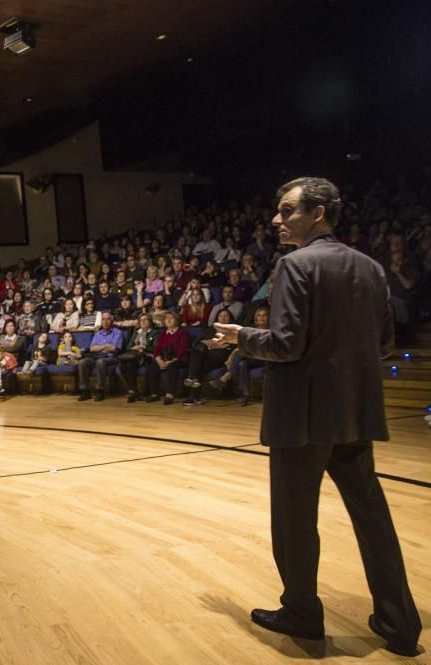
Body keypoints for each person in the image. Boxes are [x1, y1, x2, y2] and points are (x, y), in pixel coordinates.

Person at [211, 177, 421, 656]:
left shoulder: (295, 264)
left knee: (295, 521)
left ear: (319, 212)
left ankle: (303, 615)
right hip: (355, 411)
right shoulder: (370, 268)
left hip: (301, 418)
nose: (277, 220)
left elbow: (285, 345)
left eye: (287, 211)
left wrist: (240, 336)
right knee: (373, 520)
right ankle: (400, 623)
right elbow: (386, 342)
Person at [181, 309, 236, 406]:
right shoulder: (210, 329)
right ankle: (193, 388)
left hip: (221, 355)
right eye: (220, 316)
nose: (223, 318)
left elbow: (230, 346)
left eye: (226, 316)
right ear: (217, 318)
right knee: (195, 352)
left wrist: (213, 344)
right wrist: (215, 343)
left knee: (198, 366)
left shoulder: (233, 331)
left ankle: (192, 388)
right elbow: (200, 342)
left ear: (230, 319)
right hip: (206, 353)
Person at [77, 312, 124, 401]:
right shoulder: (98, 334)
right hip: (96, 356)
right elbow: (92, 348)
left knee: (100, 362)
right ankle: (84, 391)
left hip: (111, 357)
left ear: (112, 321)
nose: (105, 321)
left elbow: (114, 348)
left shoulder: (118, 333)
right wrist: (105, 345)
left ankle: (100, 390)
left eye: (108, 319)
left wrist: (99, 347)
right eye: (103, 319)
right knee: (82, 362)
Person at [145, 311, 188, 404]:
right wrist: (159, 360)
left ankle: (170, 394)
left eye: (171, 318)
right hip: (165, 359)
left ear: (177, 321)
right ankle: (154, 394)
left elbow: (182, 350)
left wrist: (170, 361)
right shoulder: (163, 333)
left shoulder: (182, 333)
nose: (168, 320)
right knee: (153, 366)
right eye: (166, 318)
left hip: (179, 359)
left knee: (172, 366)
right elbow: (157, 349)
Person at [118, 313, 159, 402]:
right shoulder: (137, 332)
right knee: (125, 365)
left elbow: (156, 347)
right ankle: (133, 391)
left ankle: (133, 392)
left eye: (145, 320)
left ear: (150, 322)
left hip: (147, 356)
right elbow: (128, 347)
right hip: (135, 356)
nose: (143, 322)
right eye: (141, 320)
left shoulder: (154, 332)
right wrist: (135, 347)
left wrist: (144, 347)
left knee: (130, 364)